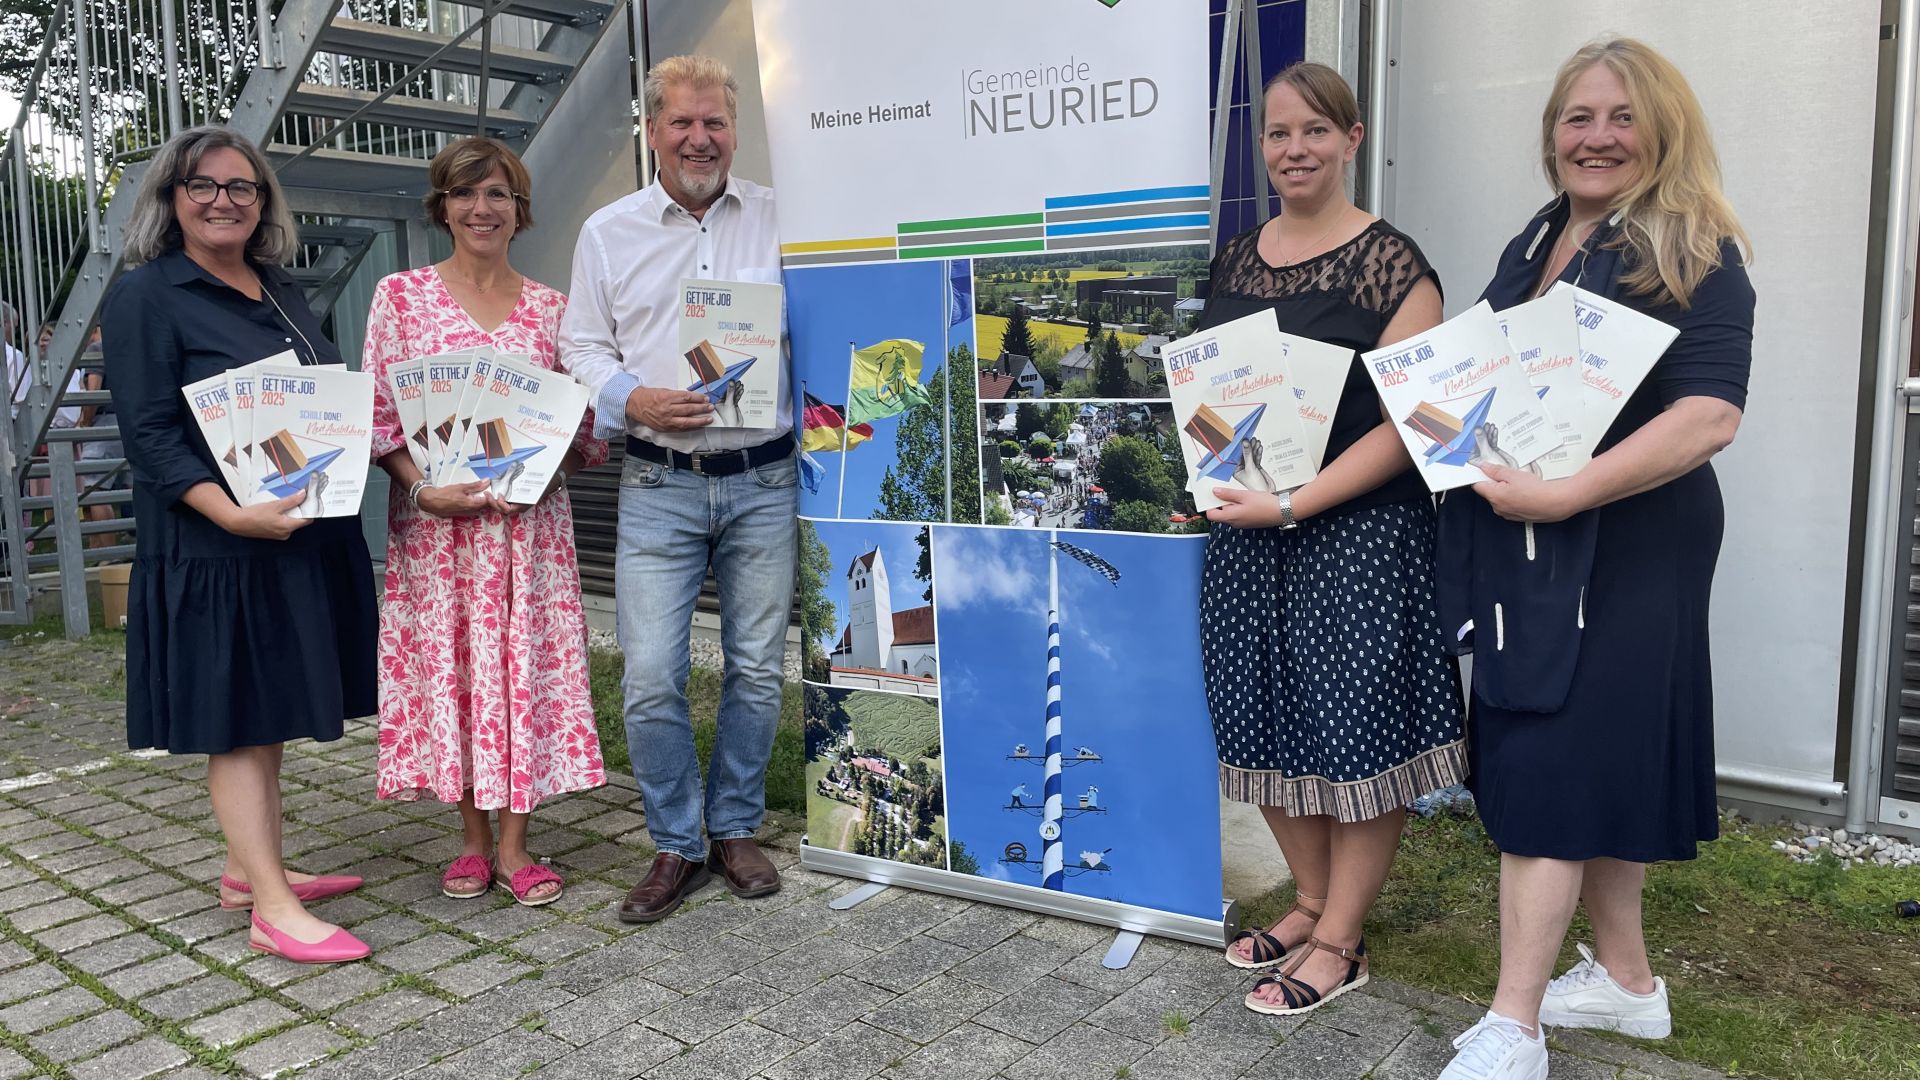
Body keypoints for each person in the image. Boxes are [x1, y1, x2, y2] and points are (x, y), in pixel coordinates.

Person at [1435, 39, 1754, 1080]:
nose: (1598, 137)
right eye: (1578, 117)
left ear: (1662, 129)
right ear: (1552, 135)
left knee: (1552, 754)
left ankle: (1514, 1027)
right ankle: (1627, 988)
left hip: (1628, 540)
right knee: (1597, 749)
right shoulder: (1539, 240)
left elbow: (1708, 418)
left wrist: (1565, 490)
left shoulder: (1695, 246)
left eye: (1621, 117)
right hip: (1533, 527)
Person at [1197, 62, 1465, 1016]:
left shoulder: (1394, 265)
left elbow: (1414, 423)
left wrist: (1297, 503)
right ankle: (1310, 901)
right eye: (1277, 134)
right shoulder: (1232, 258)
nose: (1294, 150)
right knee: (1259, 717)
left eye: (1315, 131)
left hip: (1357, 537)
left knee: (1355, 736)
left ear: (1352, 139)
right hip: (1247, 536)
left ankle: (1343, 941)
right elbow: (1215, 394)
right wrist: (1212, 465)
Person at [101, 125, 375, 964]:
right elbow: (148, 435)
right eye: (203, 186)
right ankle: (272, 908)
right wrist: (227, 513)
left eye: (242, 187)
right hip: (217, 546)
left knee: (268, 708)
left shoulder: (281, 290)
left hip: (293, 536)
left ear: (263, 204)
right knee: (236, 722)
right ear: (171, 199)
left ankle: (244, 872)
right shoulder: (147, 294)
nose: (224, 200)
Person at [560, 54, 795, 923]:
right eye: (682, 123)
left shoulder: (782, 217)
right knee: (652, 675)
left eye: (716, 122)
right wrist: (630, 396)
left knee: (757, 671)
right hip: (658, 478)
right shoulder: (608, 232)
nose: (700, 138)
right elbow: (581, 347)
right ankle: (675, 842)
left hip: (762, 478)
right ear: (651, 130)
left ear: (735, 129)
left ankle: (733, 827)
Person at [364, 136, 607, 907]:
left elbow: (584, 433)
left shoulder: (553, 311)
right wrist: (416, 489)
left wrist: (548, 469)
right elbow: (378, 421)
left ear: (519, 210)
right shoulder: (400, 299)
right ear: (443, 207)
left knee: (523, 671)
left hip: (528, 535)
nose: (481, 208)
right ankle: (470, 840)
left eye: (498, 193)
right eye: (466, 194)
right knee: (458, 673)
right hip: (439, 537)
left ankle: (516, 845)